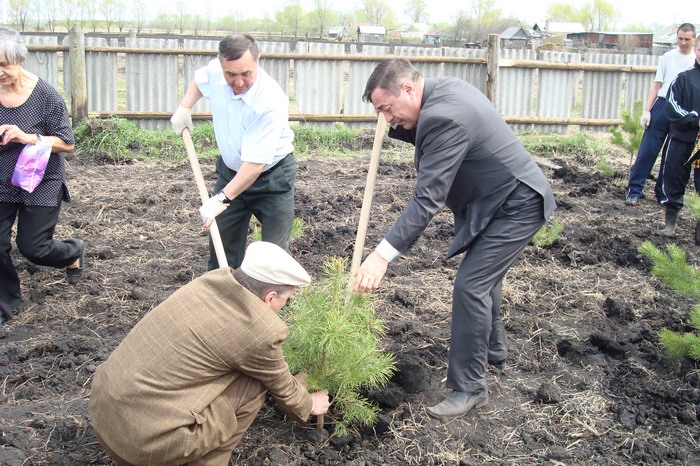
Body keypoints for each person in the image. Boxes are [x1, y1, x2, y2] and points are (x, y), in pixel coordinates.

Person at [352, 58, 556, 422]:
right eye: (380, 112)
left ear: (409, 89)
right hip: (494, 199)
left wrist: (381, 256)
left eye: (387, 108)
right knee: (483, 278)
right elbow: (422, 128)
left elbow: (428, 198)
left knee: (471, 284)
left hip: (517, 204)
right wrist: (394, 120)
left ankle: (470, 387)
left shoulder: (445, 116)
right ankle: (493, 350)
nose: (385, 118)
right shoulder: (442, 90)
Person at [89, 241, 331, 465]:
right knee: (254, 385)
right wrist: (310, 404)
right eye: (285, 299)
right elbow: (282, 388)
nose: (284, 306)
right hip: (145, 447)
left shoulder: (208, 284)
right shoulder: (259, 330)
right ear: (269, 298)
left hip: (105, 415)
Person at [170, 34, 296, 270]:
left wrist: (222, 198)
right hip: (230, 172)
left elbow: (254, 165)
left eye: (246, 73)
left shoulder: (270, 101)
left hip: (272, 181)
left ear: (257, 61)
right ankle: (223, 302)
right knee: (221, 253)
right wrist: (185, 106)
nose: (239, 82)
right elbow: (200, 81)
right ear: (221, 66)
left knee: (274, 258)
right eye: (231, 74)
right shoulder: (216, 72)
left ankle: (272, 307)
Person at [0, 26, 82, 325]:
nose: (0, 72)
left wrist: (28, 137)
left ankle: (72, 252)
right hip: (1, 179)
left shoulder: (46, 96)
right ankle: (5, 304)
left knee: (33, 248)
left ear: (19, 60)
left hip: (38, 179)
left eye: (4, 65)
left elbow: (67, 143)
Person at [625, 23, 697, 206]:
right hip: (663, 106)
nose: (683, 42)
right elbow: (657, 85)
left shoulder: (694, 61)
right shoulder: (668, 57)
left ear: (694, 39)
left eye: (687, 39)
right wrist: (647, 110)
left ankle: (662, 194)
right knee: (648, 150)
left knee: (671, 156)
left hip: (683, 111)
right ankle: (634, 190)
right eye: (680, 38)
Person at [655, 37, 700, 239]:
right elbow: (672, 106)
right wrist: (691, 118)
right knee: (674, 178)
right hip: (682, 138)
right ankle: (670, 224)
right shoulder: (683, 79)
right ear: (696, 51)